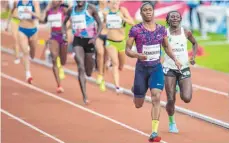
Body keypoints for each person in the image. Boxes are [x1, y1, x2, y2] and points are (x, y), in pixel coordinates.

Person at [125, 2, 181, 142]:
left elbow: (166, 47)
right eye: (145, 10)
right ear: (142, 12)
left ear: (153, 12)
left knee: (156, 96)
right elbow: (127, 50)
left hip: (156, 68)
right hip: (141, 69)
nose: (148, 12)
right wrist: (138, 55)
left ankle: (154, 132)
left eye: (150, 9)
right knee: (138, 104)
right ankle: (137, 88)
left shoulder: (162, 29)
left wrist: (175, 59)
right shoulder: (135, 30)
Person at [163, 10, 198, 133]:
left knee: (187, 98)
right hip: (169, 68)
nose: (175, 18)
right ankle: (172, 122)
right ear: (168, 19)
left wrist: (193, 56)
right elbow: (161, 47)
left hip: (183, 68)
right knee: (171, 99)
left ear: (180, 19)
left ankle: (179, 85)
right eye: (172, 17)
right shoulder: (164, 33)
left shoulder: (186, 32)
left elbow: (194, 43)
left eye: (177, 17)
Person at [62, 1, 102, 104]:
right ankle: (85, 96)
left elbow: (100, 23)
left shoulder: (91, 8)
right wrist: (64, 34)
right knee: (80, 66)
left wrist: (96, 37)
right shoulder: (72, 10)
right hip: (78, 41)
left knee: (88, 72)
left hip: (89, 41)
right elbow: (63, 22)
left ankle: (90, 69)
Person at [104, 0, 134, 94]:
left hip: (121, 42)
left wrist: (123, 18)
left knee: (121, 66)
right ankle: (117, 86)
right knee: (115, 63)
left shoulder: (122, 11)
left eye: (116, 2)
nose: (114, 4)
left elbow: (132, 22)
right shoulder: (106, 12)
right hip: (110, 42)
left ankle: (109, 64)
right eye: (112, 2)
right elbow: (101, 22)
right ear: (109, 3)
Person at [6, 0, 40, 84]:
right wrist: (16, 16)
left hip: (33, 30)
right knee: (25, 51)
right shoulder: (18, 2)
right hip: (22, 29)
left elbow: (39, 16)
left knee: (32, 53)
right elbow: (14, 13)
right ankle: (28, 74)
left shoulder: (34, 2)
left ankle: (31, 52)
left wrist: (30, 12)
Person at [39, 0, 69, 93]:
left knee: (63, 61)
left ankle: (61, 65)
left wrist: (67, 28)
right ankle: (59, 85)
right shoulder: (49, 11)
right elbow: (42, 21)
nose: (53, 1)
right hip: (53, 36)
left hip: (63, 36)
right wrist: (45, 10)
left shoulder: (63, 9)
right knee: (54, 57)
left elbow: (70, 18)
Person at [95, 0, 110, 91]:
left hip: (108, 36)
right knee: (100, 53)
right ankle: (100, 74)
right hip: (98, 35)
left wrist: (105, 17)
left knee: (105, 58)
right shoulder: (95, 9)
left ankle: (103, 78)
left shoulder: (110, 9)